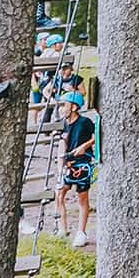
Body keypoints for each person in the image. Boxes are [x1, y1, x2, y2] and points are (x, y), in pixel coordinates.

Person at [55, 92, 98, 246]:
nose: (61, 109)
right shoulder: (63, 124)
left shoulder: (85, 122)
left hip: (82, 162)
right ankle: (62, 228)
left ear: (73, 107)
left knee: (82, 197)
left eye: (64, 105)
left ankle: (81, 232)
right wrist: (61, 166)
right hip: (68, 163)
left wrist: (84, 146)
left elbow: (97, 136)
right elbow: (62, 143)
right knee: (59, 193)